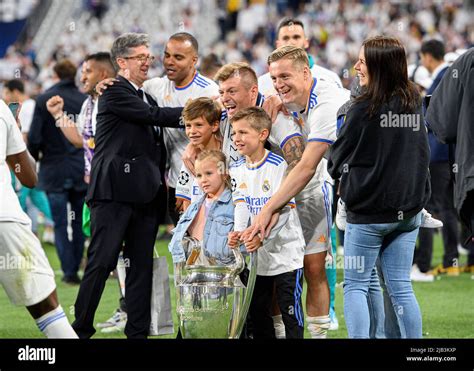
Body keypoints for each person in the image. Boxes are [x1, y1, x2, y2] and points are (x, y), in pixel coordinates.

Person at [71, 33, 183, 339]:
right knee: (102, 261)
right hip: (113, 194)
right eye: (141, 57)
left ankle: (137, 333)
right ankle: (79, 329)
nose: (148, 62)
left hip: (146, 197)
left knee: (141, 267)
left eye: (149, 56)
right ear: (122, 62)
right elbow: (153, 117)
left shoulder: (144, 94)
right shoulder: (115, 91)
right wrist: (198, 115)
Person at [327, 36, 430, 338]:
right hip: (408, 214)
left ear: (379, 67)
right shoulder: (414, 100)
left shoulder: (361, 108)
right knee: (400, 287)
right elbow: (420, 154)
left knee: (356, 284)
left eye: (362, 61)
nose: (356, 66)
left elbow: (336, 160)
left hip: (368, 216)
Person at [250, 45, 350, 338]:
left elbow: (305, 167)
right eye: (274, 78)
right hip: (342, 185)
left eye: (285, 76)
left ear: (306, 73)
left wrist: (268, 208)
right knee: (278, 270)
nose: (279, 84)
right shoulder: (290, 101)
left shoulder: (326, 103)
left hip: (325, 189)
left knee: (317, 268)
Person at [45, 52, 128, 333]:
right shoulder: (89, 104)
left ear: (103, 75)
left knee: (110, 257)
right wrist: (58, 115)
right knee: (110, 257)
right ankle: (123, 309)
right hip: (96, 190)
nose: (82, 77)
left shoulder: (113, 100)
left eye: (88, 71)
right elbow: (81, 139)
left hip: (115, 191)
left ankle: (113, 315)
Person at [0, 99, 77, 338]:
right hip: (5, 219)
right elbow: (29, 178)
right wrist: (14, 130)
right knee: (45, 305)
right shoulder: (2, 110)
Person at [229, 107, 305, 339]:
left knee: (289, 311)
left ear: (262, 134)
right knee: (257, 312)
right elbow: (241, 204)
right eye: (233, 133)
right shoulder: (236, 168)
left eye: (243, 132)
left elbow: (284, 210)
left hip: (286, 253)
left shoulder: (279, 166)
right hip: (256, 256)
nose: (236, 138)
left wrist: (263, 237)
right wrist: (239, 233)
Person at [28, 59, 88, 285]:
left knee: (60, 223)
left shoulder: (44, 99)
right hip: (79, 169)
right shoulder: (83, 99)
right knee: (79, 223)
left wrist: (35, 158)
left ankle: (69, 272)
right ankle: (77, 266)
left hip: (53, 169)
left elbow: (34, 137)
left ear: (54, 74)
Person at [426, 47, 474, 274]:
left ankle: (451, 259)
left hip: (443, 156)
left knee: (445, 207)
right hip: (452, 158)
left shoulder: (460, 67)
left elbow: (440, 121)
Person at [415, 39, 460, 278]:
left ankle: (424, 265)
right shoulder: (450, 75)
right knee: (448, 207)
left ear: (428, 56)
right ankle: (451, 261)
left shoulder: (442, 77)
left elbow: (431, 115)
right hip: (448, 153)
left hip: (437, 151)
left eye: (422, 57)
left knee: (431, 208)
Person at [2, 79, 55, 243]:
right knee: (37, 196)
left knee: (20, 196)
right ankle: (50, 227)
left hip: (22, 158)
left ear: (15, 92)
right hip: (30, 157)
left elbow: (22, 135)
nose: (4, 96)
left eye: (6, 92)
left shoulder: (26, 108)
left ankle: (26, 232)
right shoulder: (34, 104)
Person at [169, 150, 236, 267]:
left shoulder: (234, 205)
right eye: (199, 175)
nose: (203, 180)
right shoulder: (195, 206)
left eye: (209, 173)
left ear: (224, 174)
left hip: (224, 271)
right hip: (196, 269)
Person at [258, 17, 342, 98]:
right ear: (278, 44)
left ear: (306, 42)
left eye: (296, 37)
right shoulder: (262, 82)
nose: (291, 42)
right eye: (285, 38)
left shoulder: (329, 78)